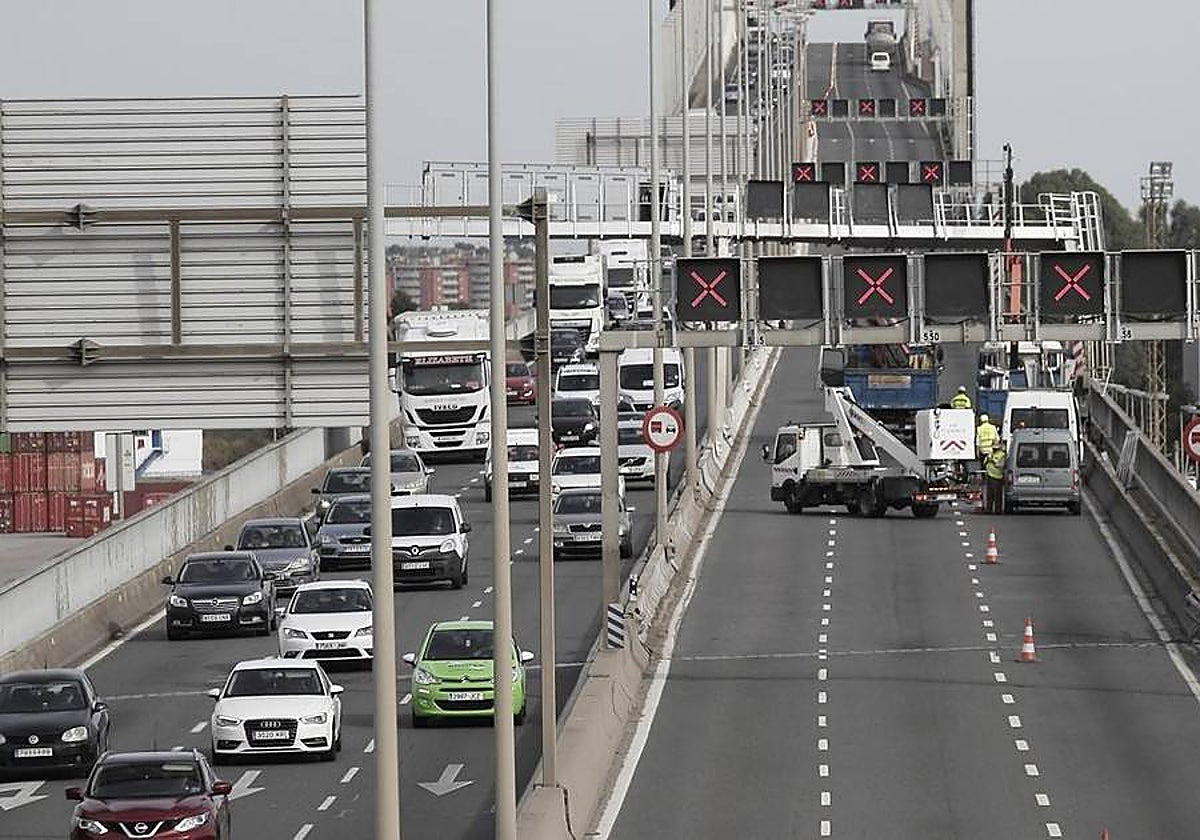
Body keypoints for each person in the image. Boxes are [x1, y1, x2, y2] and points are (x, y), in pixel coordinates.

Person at [984, 441, 1008, 514]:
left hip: (997, 477)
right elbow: (985, 463)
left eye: (995, 448)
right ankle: (989, 509)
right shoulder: (991, 454)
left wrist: (993, 461)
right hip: (989, 475)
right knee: (989, 495)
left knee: (997, 495)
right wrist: (987, 460)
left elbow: (1001, 465)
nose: (994, 449)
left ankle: (998, 510)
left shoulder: (1002, 455)